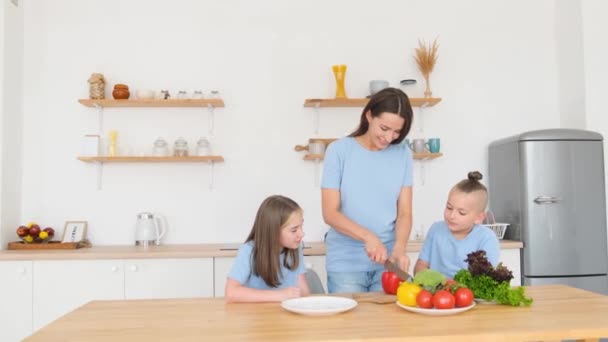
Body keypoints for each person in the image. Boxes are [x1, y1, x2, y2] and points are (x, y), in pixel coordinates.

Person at [321, 87, 414, 293]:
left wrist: (399, 248)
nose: (389, 137)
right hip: (346, 264)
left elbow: (405, 213)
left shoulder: (403, 154)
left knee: (386, 325)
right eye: (384, 128)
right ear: (369, 115)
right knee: (350, 325)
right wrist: (368, 237)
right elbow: (330, 213)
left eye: (397, 131)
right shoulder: (339, 151)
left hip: (387, 264)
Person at [414, 171, 500, 279]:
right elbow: (421, 265)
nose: (452, 216)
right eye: (449, 208)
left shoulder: (487, 238)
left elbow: (487, 279)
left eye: (461, 212)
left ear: (479, 218)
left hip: (468, 295)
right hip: (437, 293)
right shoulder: (436, 230)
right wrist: (427, 281)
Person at [225, 195, 310, 302]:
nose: (301, 234)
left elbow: (304, 291)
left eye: (301, 226)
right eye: (294, 230)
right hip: (257, 315)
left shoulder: (295, 248)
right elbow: (231, 293)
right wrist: (280, 295)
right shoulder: (249, 250)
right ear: (273, 232)